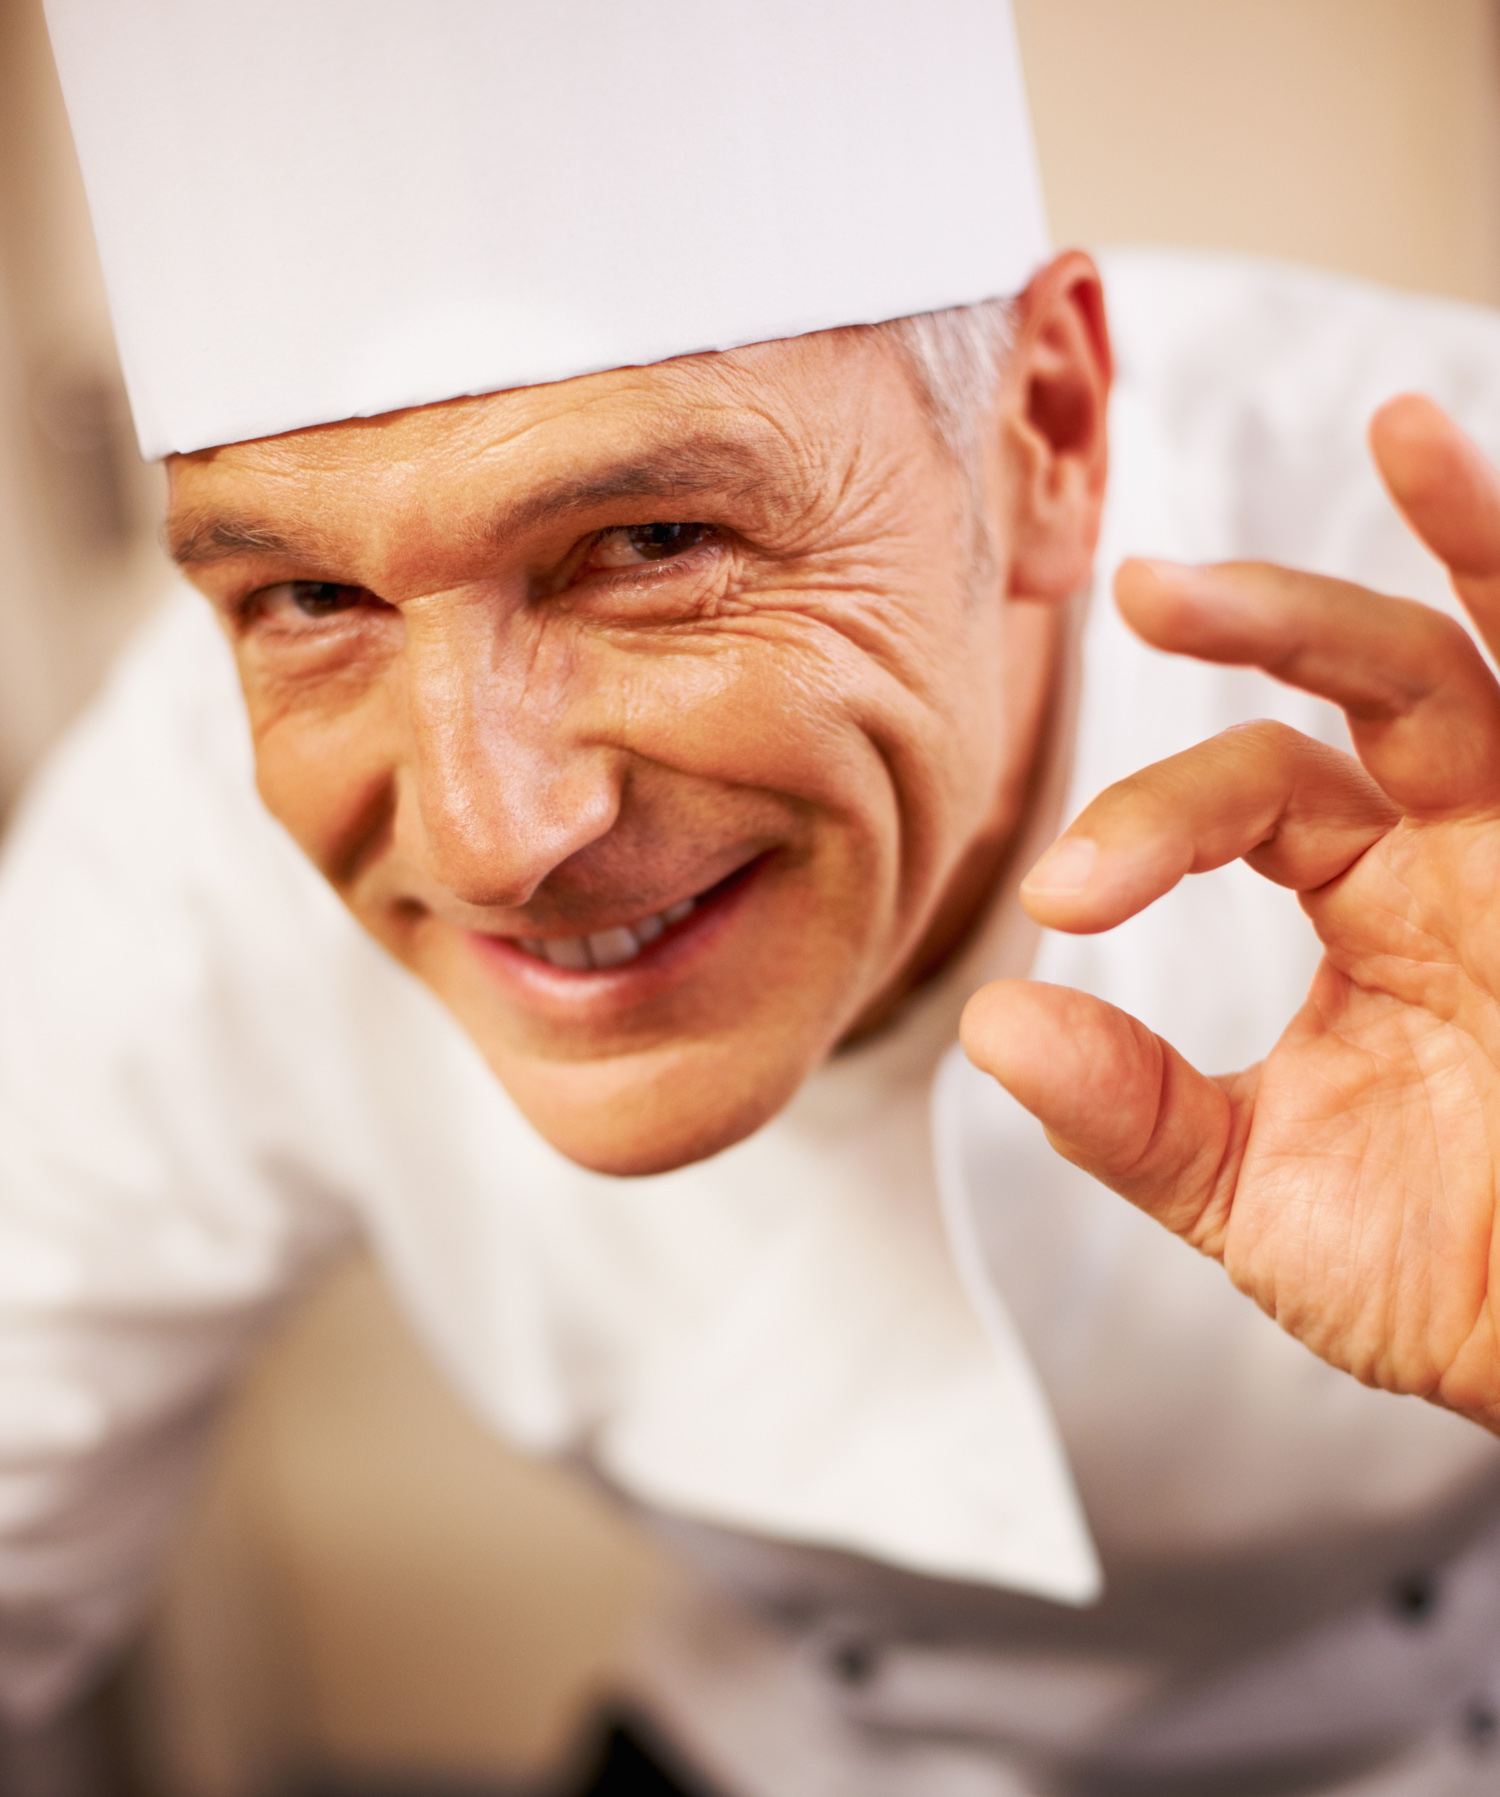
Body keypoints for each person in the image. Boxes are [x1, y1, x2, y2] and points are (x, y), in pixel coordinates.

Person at [9, 3, 1500, 1792]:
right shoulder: (186, 818)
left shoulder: (1446, 555)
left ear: (1043, 430)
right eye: (310, 596)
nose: (486, 838)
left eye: (650, 544)